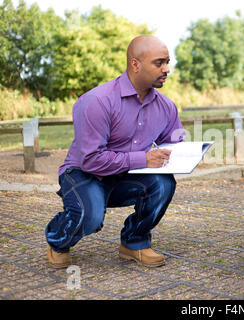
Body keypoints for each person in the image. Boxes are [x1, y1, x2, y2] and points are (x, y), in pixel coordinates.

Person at [45, 35, 185, 269]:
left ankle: (134, 242)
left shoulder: (166, 106)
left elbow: (174, 144)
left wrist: (190, 151)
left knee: (163, 184)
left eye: (168, 62)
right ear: (135, 64)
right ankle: (58, 238)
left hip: (126, 175)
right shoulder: (97, 101)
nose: (167, 69)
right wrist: (144, 158)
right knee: (90, 218)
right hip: (84, 173)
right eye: (159, 63)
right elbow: (91, 160)